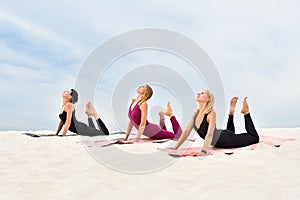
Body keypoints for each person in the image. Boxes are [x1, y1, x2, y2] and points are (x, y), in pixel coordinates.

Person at [170, 90, 260, 156]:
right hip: (222, 134)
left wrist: (203, 152)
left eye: (202, 93)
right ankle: (231, 112)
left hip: (226, 140)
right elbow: (186, 132)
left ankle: (246, 113)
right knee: (230, 132)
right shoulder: (195, 114)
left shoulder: (211, 114)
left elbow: (209, 135)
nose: (198, 93)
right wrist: (175, 148)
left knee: (254, 138)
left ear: (208, 99)